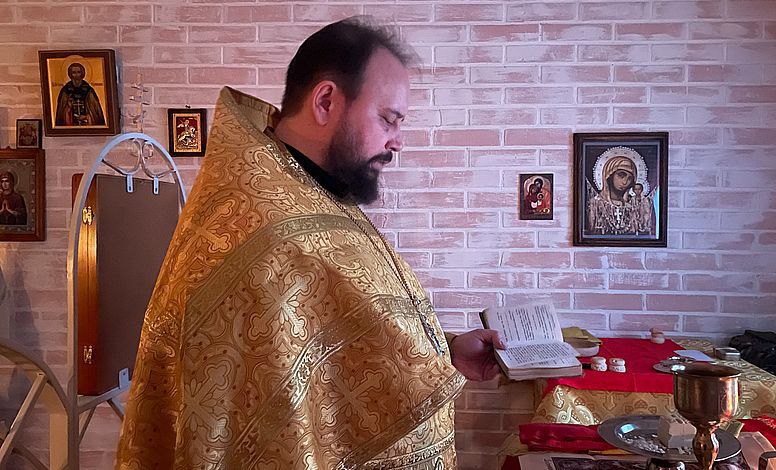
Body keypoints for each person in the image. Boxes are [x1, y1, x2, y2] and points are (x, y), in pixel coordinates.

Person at [116, 17, 505, 470]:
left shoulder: (311, 188)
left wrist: (447, 350)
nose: (397, 142)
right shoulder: (262, 227)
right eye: (388, 119)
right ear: (326, 101)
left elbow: (340, 342)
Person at [586, 155, 637, 235]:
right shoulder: (595, 204)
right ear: (609, 175)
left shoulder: (630, 207)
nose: (625, 182)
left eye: (629, 178)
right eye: (621, 175)